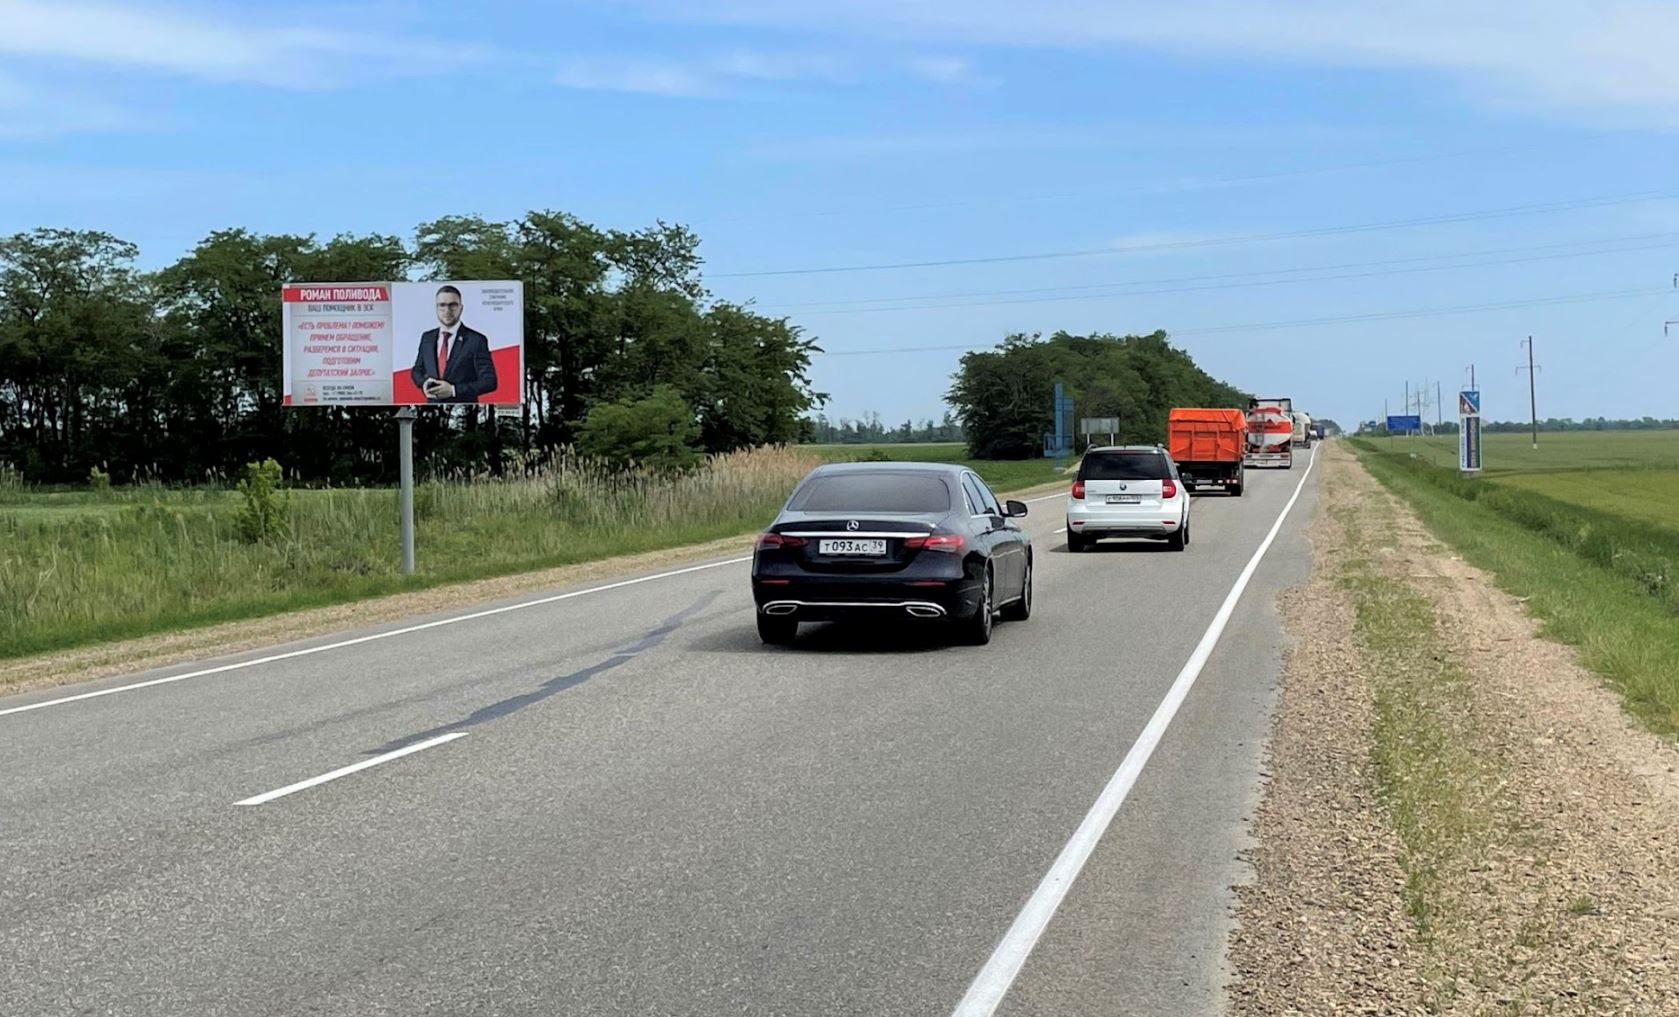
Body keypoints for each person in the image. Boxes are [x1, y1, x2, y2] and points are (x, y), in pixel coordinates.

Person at [410, 285, 497, 403]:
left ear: (461, 308)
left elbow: (489, 381)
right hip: (432, 406)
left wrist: (453, 390)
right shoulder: (427, 337)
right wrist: (423, 383)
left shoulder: (476, 340)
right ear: (436, 308)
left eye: (453, 305)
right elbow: (417, 370)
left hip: (462, 408)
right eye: (442, 305)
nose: (447, 310)